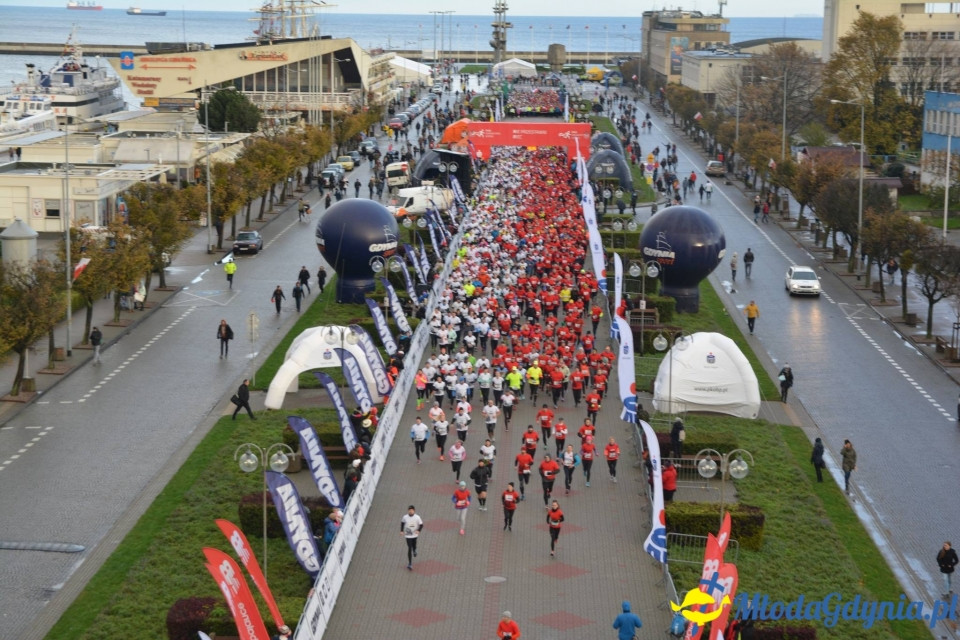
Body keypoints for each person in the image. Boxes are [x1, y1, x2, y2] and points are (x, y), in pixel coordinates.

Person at [400, 505, 424, 570]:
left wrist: (418, 530)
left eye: (411, 510)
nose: (410, 511)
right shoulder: (405, 517)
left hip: (414, 534)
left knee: (414, 544)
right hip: (408, 535)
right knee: (409, 547)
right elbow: (402, 523)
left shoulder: (417, 517)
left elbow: (421, 525)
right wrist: (401, 531)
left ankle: (415, 550)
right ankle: (410, 563)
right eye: (409, 510)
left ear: (414, 511)